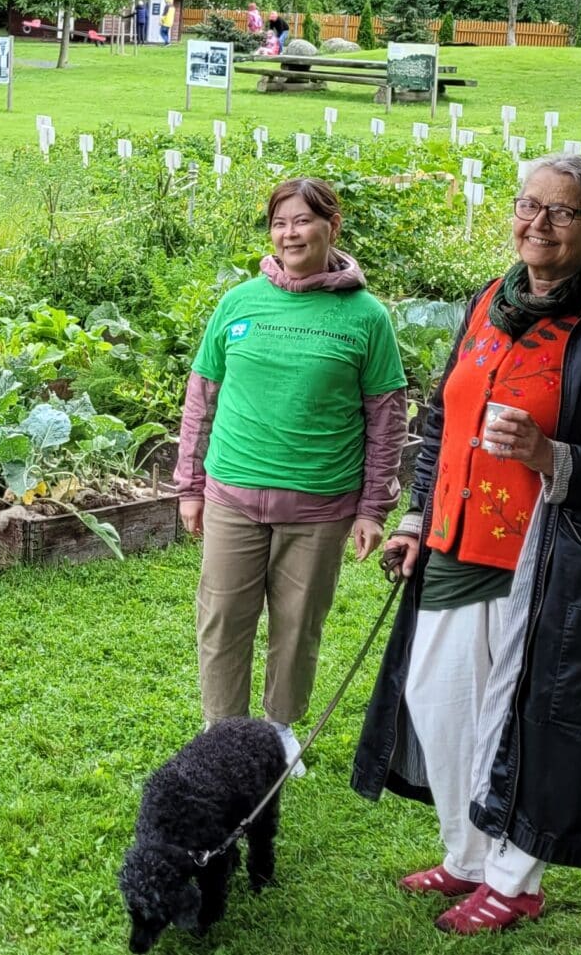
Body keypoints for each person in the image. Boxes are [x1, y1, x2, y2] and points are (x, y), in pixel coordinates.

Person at [351, 153, 581, 936]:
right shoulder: (488, 303)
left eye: (563, 212)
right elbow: (441, 421)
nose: (538, 223)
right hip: (457, 542)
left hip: (548, 559)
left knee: (527, 719)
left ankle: (514, 878)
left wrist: (549, 455)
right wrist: (413, 518)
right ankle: (467, 854)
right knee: (440, 703)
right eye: (528, 204)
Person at [176, 178, 408, 776]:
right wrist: (191, 484)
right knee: (223, 616)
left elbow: (387, 419)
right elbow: (202, 396)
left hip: (321, 505)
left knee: (298, 624)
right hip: (233, 493)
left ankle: (278, 730)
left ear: (333, 226)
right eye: (280, 223)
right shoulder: (240, 303)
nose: (290, 234)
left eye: (303, 221)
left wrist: (372, 508)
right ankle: (222, 732)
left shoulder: (366, 317)